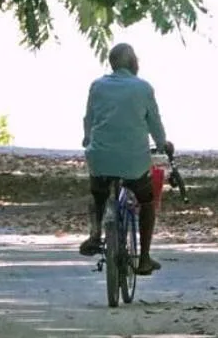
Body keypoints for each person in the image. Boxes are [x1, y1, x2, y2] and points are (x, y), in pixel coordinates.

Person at [78, 42, 173, 274]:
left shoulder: (97, 86)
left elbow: (89, 119)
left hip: (100, 157)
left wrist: (88, 139)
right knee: (146, 200)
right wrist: (163, 145)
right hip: (133, 161)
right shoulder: (143, 88)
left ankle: (94, 235)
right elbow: (155, 124)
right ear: (133, 63)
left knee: (98, 193)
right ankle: (145, 258)